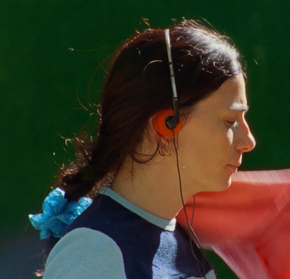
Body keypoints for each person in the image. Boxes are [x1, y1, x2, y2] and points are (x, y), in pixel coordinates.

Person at [29, 19, 255, 279]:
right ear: (167, 124)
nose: (248, 141)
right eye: (230, 121)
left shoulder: (181, 242)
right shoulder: (93, 253)